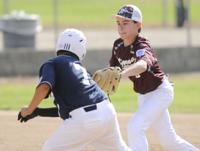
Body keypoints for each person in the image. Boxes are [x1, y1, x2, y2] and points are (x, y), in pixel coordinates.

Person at [18, 28, 131, 151]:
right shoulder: (81, 69)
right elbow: (72, 108)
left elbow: (44, 87)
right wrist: (37, 111)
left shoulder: (52, 63)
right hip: (107, 112)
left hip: (85, 120)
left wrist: (29, 109)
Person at [108, 4, 200, 151]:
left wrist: (121, 74)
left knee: (135, 126)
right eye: (118, 23)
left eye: (125, 23)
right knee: (169, 141)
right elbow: (112, 70)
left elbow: (142, 65)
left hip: (160, 92)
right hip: (143, 95)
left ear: (138, 25)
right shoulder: (117, 45)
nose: (120, 27)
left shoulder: (142, 44)